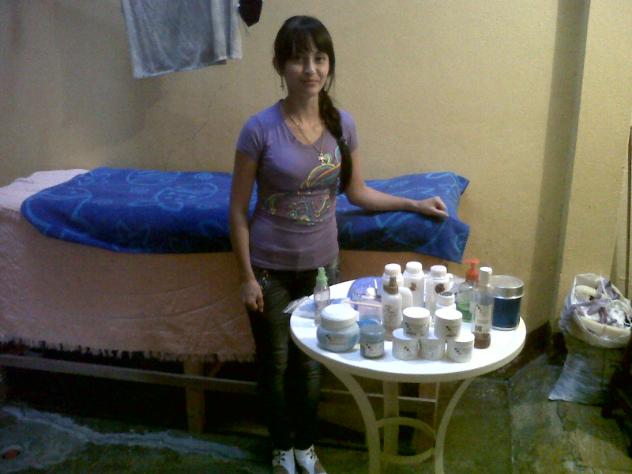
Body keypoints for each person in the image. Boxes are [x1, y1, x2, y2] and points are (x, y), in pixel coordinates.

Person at [229, 15, 448, 474]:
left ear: (329, 65)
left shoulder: (342, 125)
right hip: (268, 268)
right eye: (298, 59)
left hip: (322, 269)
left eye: (320, 58)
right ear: (280, 65)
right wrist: (246, 277)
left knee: (313, 361)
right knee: (275, 363)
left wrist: (413, 203)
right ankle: (281, 448)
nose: (310, 69)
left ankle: (306, 447)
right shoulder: (259, 129)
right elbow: (236, 210)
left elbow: (357, 192)